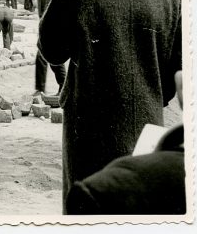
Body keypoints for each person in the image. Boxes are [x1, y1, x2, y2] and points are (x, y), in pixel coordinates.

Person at [38, 0, 182, 214]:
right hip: (149, 125)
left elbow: (52, 52)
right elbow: (178, 69)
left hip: (88, 131)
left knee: (89, 208)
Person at [65, 70, 185, 215]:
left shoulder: (93, 191)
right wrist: (148, 92)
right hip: (147, 111)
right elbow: (173, 70)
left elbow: (54, 53)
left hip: (88, 123)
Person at [27, 0, 67, 97]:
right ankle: (42, 88)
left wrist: (47, 32)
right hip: (45, 28)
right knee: (44, 58)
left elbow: (51, 13)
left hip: (52, 30)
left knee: (53, 59)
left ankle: (63, 86)